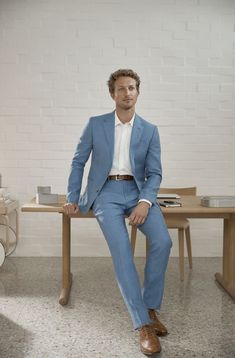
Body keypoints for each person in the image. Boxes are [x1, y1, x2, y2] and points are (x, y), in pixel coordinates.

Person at [64, 69, 172, 355]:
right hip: (106, 193)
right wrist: (72, 197)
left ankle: (149, 307)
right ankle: (143, 325)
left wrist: (145, 202)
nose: (127, 93)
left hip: (138, 194)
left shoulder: (149, 130)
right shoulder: (95, 124)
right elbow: (78, 162)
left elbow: (155, 174)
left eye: (132, 88)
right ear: (112, 94)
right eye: (121, 89)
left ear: (138, 92)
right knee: (123, 253)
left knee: (163, 241)